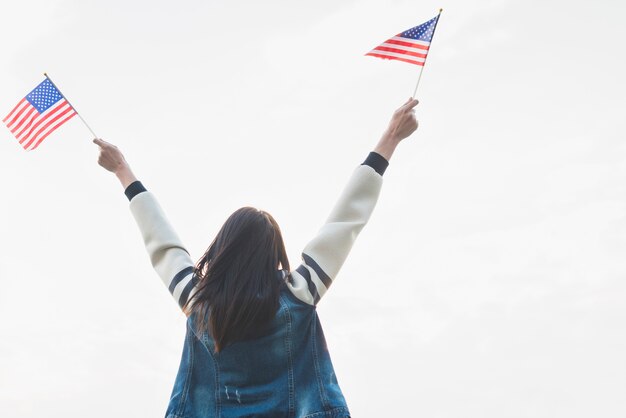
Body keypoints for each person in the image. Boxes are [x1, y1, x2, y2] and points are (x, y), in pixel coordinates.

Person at [94, 97, 419, 418]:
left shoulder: (198, 301)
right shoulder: (300, 292)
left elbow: (163, 244)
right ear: (274, 255)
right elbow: (344, 222)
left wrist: (123, 170)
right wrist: (391, 137)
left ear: (223, 250)